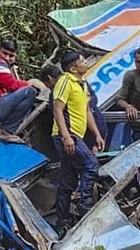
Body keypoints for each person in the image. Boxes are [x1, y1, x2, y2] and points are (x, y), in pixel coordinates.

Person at [51, 51, 105, 234]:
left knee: (68, 179)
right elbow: (57, 109)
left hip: (76, 136)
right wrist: (66, 136)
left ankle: (63, 218)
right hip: (67, 135)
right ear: (73, 68)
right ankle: (85, 204)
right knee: (91, 164)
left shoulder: (82, 85)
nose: (85, 62)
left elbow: (87, 111)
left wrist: (96, 133)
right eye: (81, 60)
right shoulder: (65, 81)